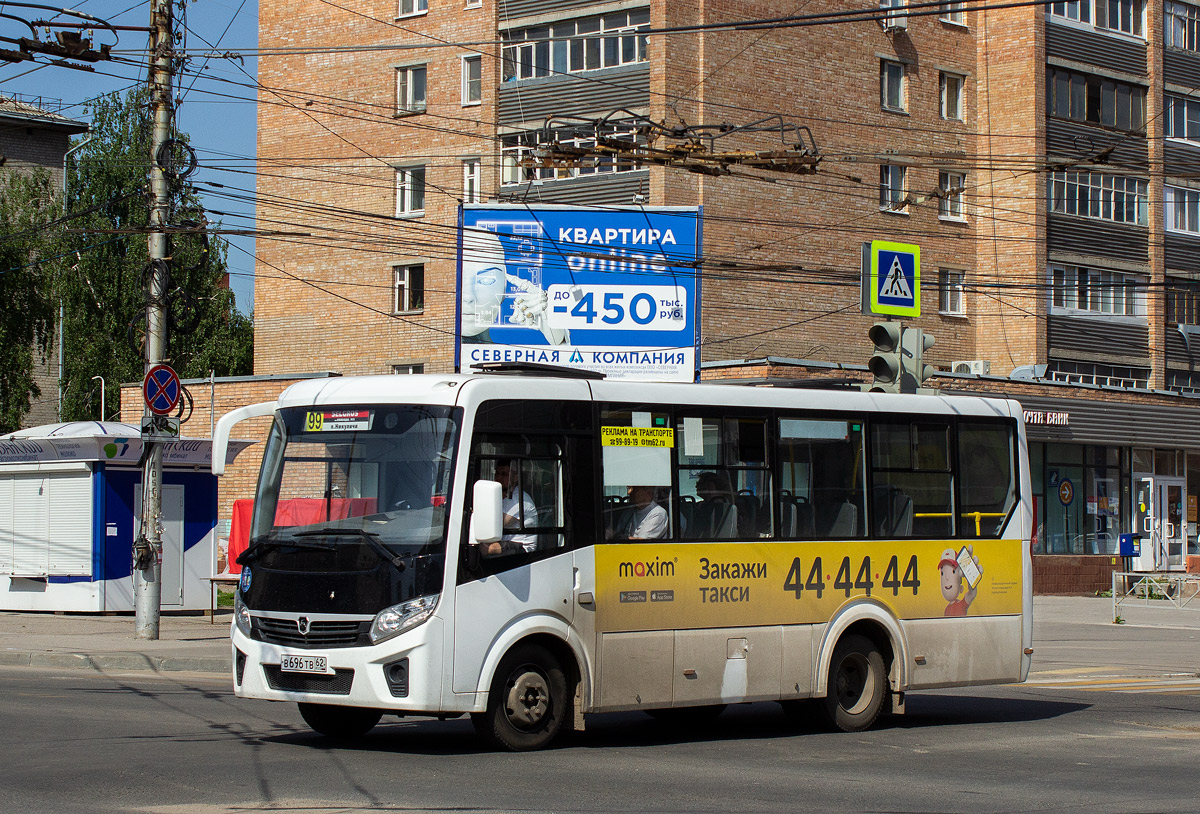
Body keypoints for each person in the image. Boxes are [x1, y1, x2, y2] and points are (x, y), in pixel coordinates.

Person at [481, 459, 538, 555]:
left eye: (504, 474)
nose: (498, 477)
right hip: (504, 541)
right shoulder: (502, 495)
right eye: (497, 473)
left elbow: (496, 524)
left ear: (515, 478)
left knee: (485, 549)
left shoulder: (520, 500)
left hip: (522, 548)